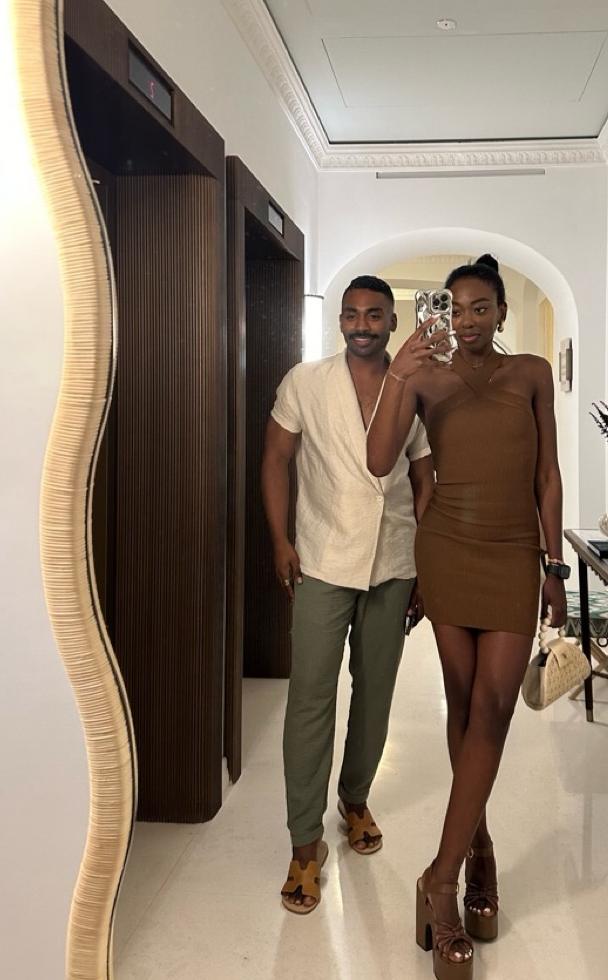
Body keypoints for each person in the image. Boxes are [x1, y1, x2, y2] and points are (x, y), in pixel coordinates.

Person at [366, 255, 568, 980]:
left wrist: (553, 565)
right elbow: (378, 459)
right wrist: (398, 373)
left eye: (481, 307)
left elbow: (547, 475)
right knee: (463, 706)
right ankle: (478, 849)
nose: (468, 320)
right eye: (456, 309)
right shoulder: (426, 378)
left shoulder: (532, 374)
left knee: (493, 708)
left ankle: (439, 877)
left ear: (502, 312)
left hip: (513, 554)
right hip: (447, 549)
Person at [262, 275, 434, 916]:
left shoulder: (412, 386)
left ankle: (355, 798)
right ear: (340, 322)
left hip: (393, 560)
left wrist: (424, 563)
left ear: (392, 322)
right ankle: (304, 844)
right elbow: (275, 459)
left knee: (376, 689)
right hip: (322, 558)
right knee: (310, 697)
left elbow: (424, 477)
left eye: (374, 315)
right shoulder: (305, 382)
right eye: (352, 315)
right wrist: (280, 539)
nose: (362, 325)